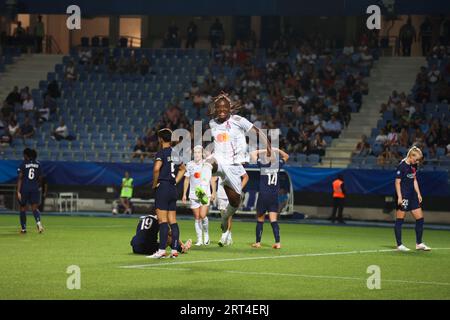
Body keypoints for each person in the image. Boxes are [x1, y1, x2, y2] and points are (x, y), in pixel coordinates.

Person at [195, 92, 269, 247]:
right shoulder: (212, 123)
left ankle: (224, 220)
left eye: (224, 107)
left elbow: (257, 131)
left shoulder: (238, 120)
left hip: (234, 167)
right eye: (219, 107)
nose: (221, 110)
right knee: (208, 163)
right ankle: (202, 191)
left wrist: (267, 146)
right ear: (215, 109)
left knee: (235, 202)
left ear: (230, 109)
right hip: (220, 161)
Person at [148, 128, 186, 259]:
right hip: (172, 188)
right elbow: (183, 169)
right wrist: (175, 181)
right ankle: (174, 250)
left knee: (163, 221)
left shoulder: (161, 153)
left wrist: (154, 184)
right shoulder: (175, 153)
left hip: (163, 187)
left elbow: (156, 169)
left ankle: (161, 250)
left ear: (160, 139)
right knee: (173, 221)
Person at [250, 148, 289, 249]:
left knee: (260, 220)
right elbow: (286, 156)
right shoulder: (277, 166)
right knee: (273, 220)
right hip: (273, 197)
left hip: (263, 196)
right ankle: (278, 242)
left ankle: (258, 242)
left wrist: (264, 150)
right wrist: (278, 150)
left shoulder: (263, 166)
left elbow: (253, 153)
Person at [394, 146, 431, 252]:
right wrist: (400, 197)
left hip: (412, 195)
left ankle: (419, 243)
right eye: (416, 158)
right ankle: (399, 245)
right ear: (411, 156)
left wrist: (418, 194)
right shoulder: (402, 166)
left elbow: (414, 179)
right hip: (404, 195)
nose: (418, 161)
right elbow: (397, 183)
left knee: (420, 218)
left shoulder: (414, 165)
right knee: (400, 219)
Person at [182, 145, 216, 246]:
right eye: (195, 152)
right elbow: (187, 179)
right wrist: (184, 194)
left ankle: (206, 235)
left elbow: (212, 179)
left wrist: (213, 192)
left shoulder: (206, 164)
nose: (196, 154)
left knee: (202, 215)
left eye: (198, 152)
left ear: (202, 153)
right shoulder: (189, 165)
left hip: (204, 193)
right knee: (197, 217)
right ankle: (199, 239)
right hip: (193, 194)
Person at [17, 148, 44, 233]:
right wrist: (36, 185)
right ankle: (39, 224)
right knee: (34, 208)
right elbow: (40, 178)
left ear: (26, 155)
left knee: (22, 208)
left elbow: (20, 178)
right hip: (34, 188)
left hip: (25, 188)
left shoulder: (23, 164)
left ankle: (24, 228)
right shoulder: (38, 164)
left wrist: (18, 191)